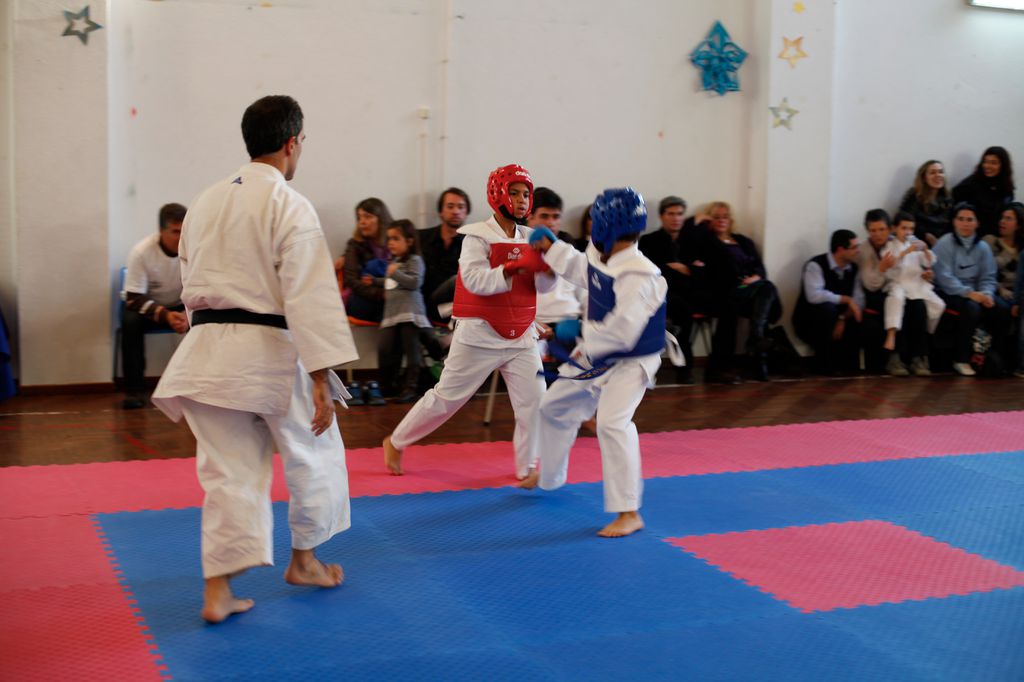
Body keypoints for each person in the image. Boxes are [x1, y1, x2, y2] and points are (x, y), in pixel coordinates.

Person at [151, 95, 358, 623]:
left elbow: (189, 279)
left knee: (227, 474)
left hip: (205, 354)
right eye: (301, 142)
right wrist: (321, 375)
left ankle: (218, 591)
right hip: (271, 351)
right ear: (292, 143)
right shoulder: (289, 203)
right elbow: (309, 291)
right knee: (315, 454)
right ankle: (305, 561)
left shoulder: (203, 202)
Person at [382, 164, 556, 478]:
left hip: (521, 334)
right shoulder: (476, 236)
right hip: (479, 332)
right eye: (515, 193)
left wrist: (545, 269)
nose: (521, 200)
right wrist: (513, 267)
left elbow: (542, 288)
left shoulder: (533, 238)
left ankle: (527, 467)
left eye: (526, 194)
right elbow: (475, 281)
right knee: (446, 398)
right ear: (498, 195)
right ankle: (396, 441)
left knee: (534, 402)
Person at [520, 188, 667, 538]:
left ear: (604, 225)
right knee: (553, 407)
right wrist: (551, 246)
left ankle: (629, 512)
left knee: (612, 424)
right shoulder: (602, 253)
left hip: (631, 361)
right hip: (596, 352)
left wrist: (573, 330)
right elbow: (579, 267)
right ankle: (550, 476)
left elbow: (623, 332)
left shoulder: (640, 274)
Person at [697, 201, 781, 382]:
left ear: (731, 220)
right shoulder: (707, 241)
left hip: (749, 288)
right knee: (766, 290)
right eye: (716, 217)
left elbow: (759, 267)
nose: (721, 220)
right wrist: (702, 222)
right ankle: (757, 341)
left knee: (765, 289)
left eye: (725, 217)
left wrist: (755, 278)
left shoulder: (743, 241)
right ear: (709, 221)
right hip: (725, 289)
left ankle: (757, 342)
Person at [121, 203, 190, 409]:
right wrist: (165, 315)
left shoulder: (196, 249)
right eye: (175, 231)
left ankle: (203, 388)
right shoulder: (141, 252)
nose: (181, 237)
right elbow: (133, 298)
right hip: (150, 308)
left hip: (184, 305)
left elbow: (204, 287)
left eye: (184, 230)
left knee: (210, 319)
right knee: (130, 322)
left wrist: (188, 314)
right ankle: (134, 390)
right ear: (161, 231)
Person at [932, 202, 1007, 376]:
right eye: (961, 219)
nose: (965, 223)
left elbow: (988, 276)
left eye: (970, 220)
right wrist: (969, 293)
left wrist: (987, 294)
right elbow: (944, 278)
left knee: (1002, 308)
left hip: (977, 293)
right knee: (971, 308)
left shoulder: (983, 247)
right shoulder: (944, 244)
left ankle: (996, 358)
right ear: (954, 222)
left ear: (977, 223)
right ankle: (961, 359)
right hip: (949, 292)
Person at [639, 195, 707, 384]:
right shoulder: (649, 241)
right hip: (661, 294)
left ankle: (720, 367)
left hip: (692, 293)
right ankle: (684, 369)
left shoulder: (693, 241)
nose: (676, 218)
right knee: (683, 310)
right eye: (671, 214)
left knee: (726, 305)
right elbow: (651, 272)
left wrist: (680, 268)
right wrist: (686, 269)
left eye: (679, 214)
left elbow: (704, 271)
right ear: (662, 216)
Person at [793, 229, 865, 375]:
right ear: (840, 250)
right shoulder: (816, 265)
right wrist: (845, 299)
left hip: (840, 317)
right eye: (854, 247)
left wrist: (842, 318)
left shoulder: (854, 268)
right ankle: (824, 363)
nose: (858, 251)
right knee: (827, 309)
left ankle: (850, 365)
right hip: (809, 320)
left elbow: (859, 299)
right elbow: (814, 295)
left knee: (859, 316)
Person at [881, 212, 945, 376]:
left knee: (938, 305)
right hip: (898, 284)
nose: (908, 232)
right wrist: (906, 252)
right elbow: (891, 265)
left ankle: (923, 347)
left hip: (916, 284)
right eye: (904, 228)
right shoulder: (890, 246)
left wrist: (925, 250)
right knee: (897, 301)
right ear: (895, 228)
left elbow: (929, 262)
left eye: (911, 228)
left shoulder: (916, 243)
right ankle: (894, 350)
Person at [379, 219, 433, 403]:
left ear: (409, 241)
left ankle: (411, 388)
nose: (390, 243)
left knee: (412, 350)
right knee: (387, 349)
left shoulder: (415, 260)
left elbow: (415, 282)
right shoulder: (394, 262)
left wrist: (394, 272)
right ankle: (389, 386)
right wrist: (377, 281)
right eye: (389, 239)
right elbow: (393, 283)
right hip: (392, 314)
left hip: (409, 313)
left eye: (396, 238)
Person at [529, 187, 585, 354]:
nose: (551, 223)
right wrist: (530, 326)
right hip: (533, 328)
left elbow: (586, 293)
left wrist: (584, 326)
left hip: (571, 325)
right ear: (530, 217)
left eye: (556, 217)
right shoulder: (516, 250)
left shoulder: (568, 250)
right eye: (544, 216)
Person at [419, 188, 469, 322]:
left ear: (466, 213)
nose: (455, 211)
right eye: (450, 206)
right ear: (441, 211)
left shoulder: (472, 244)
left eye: (461, 207)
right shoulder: (421, 237)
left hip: (449, 305)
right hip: (420, 302)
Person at [341, 198, 393, 323]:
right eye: (359, 218)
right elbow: (351, 280)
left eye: (367, 217)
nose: (362, 222)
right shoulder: (354, 245)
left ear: (381, 219)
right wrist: (381, 294)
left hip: (394, 296)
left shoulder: (396, 241)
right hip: (364, 297)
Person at [953, 146, 1016, 238]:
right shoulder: (968, 186)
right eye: (985, 162)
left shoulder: (1006, 186)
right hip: (974, 236)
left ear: (1003, 166)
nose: (987, 166)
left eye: (993, 163)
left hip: (999, 235)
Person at [899, 160, 953, 246]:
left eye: (941, 172)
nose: (938, 175)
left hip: (943, 243)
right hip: (918, 244)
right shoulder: (914, 197)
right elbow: (904, 224)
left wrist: (941, 242)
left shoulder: (948, 198)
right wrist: (925, 236)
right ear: (924, 178)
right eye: (933, 173)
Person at [982, 202, 1023, 307]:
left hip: (1017, 293)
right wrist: (1000, 289)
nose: (1002, 222)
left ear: (1018, 225)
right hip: (995, 291)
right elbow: (982, 272)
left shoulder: (1021, 250)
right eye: (1002, 218)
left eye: (1008, 219)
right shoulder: (990, 241)